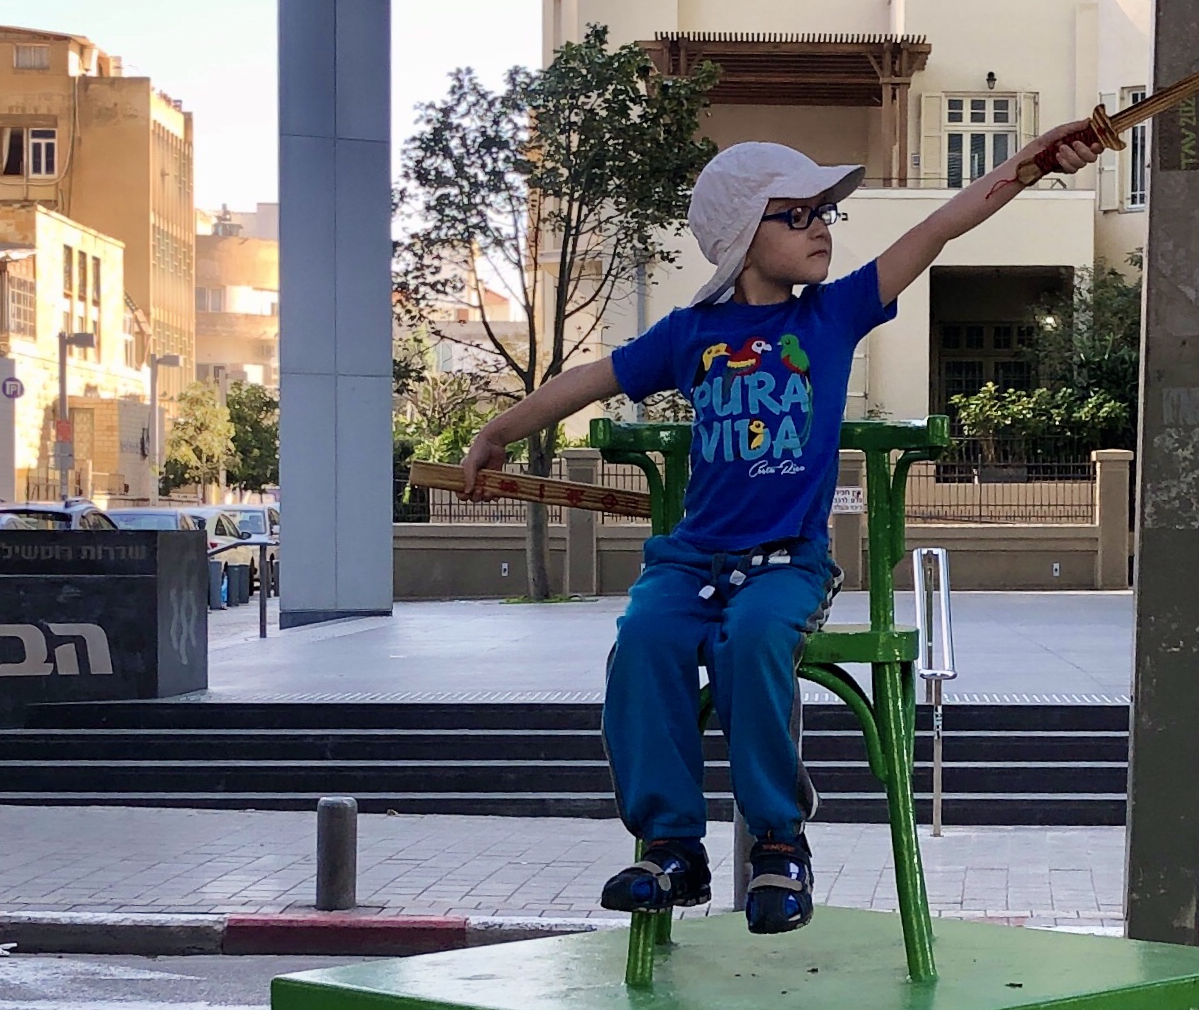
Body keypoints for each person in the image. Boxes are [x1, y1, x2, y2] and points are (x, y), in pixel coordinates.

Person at [458, 118, 1104, 933]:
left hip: (786, 563)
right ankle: (672, 847)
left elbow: (940, 227)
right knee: (643, 641)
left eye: (824, 212)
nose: (820, 227)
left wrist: (1035, 163)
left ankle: (777, 842)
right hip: (690, 561)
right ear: (740, 236)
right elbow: (590, 379)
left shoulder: (830, 317)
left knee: (756, 641)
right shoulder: (690, 334)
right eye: (795, 215)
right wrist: (498, 432)